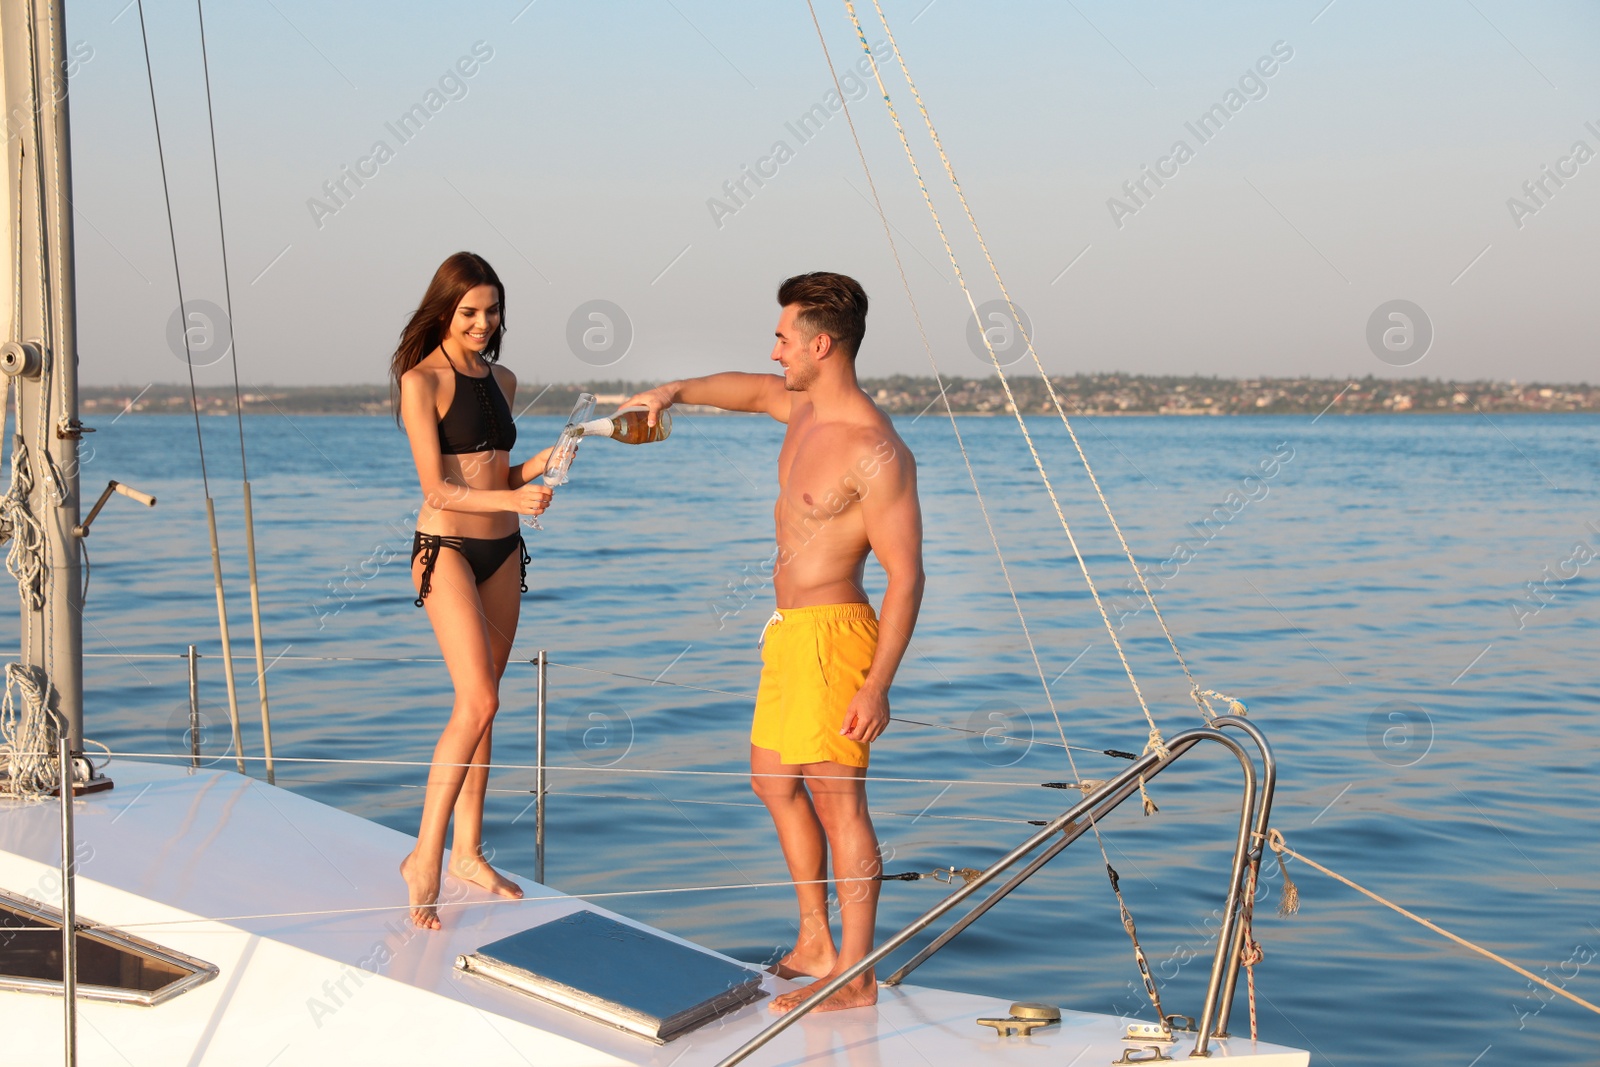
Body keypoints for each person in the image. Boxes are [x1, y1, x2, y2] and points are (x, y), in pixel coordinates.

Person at [622, 272, 924, 1013]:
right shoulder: (799, 406)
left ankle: (855, 974)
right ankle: (815, 939)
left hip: (836, 638)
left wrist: (876, 683)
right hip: (787, 635)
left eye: (784, 337)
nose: (774, 349)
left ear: (822, 344)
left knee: (838, 800)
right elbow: (745, 388)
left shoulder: (875, 449)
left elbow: (908, 576)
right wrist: (670, 392)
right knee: (772, 780)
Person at [390, 251, 557, 929]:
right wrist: (515, 496)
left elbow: (492, 470)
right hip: (448, 548)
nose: (483, 324)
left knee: (489, 703)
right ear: (444, 309)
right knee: (477, 696)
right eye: (469, 313)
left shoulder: (504, 378)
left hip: (502, 548)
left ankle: (467, 851)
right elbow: (436, 486)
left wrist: (535, 467)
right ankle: (424, 855)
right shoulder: (420, 378)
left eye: (492, 312)